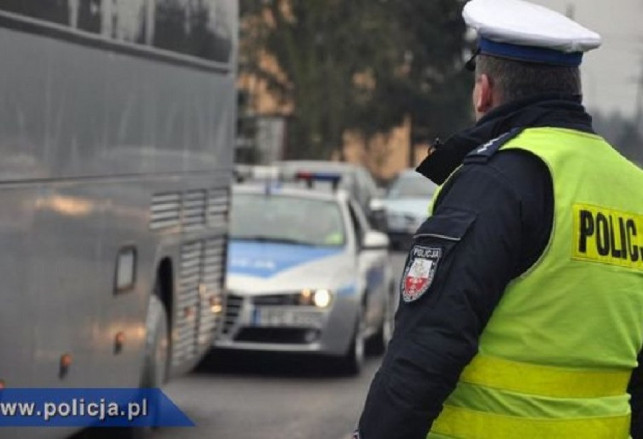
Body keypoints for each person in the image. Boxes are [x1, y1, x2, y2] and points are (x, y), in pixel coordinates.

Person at [354, 0, 643, 438]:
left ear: (484, 91)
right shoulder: (634, 189)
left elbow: (427, 347)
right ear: (573, 91)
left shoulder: (497, 182)